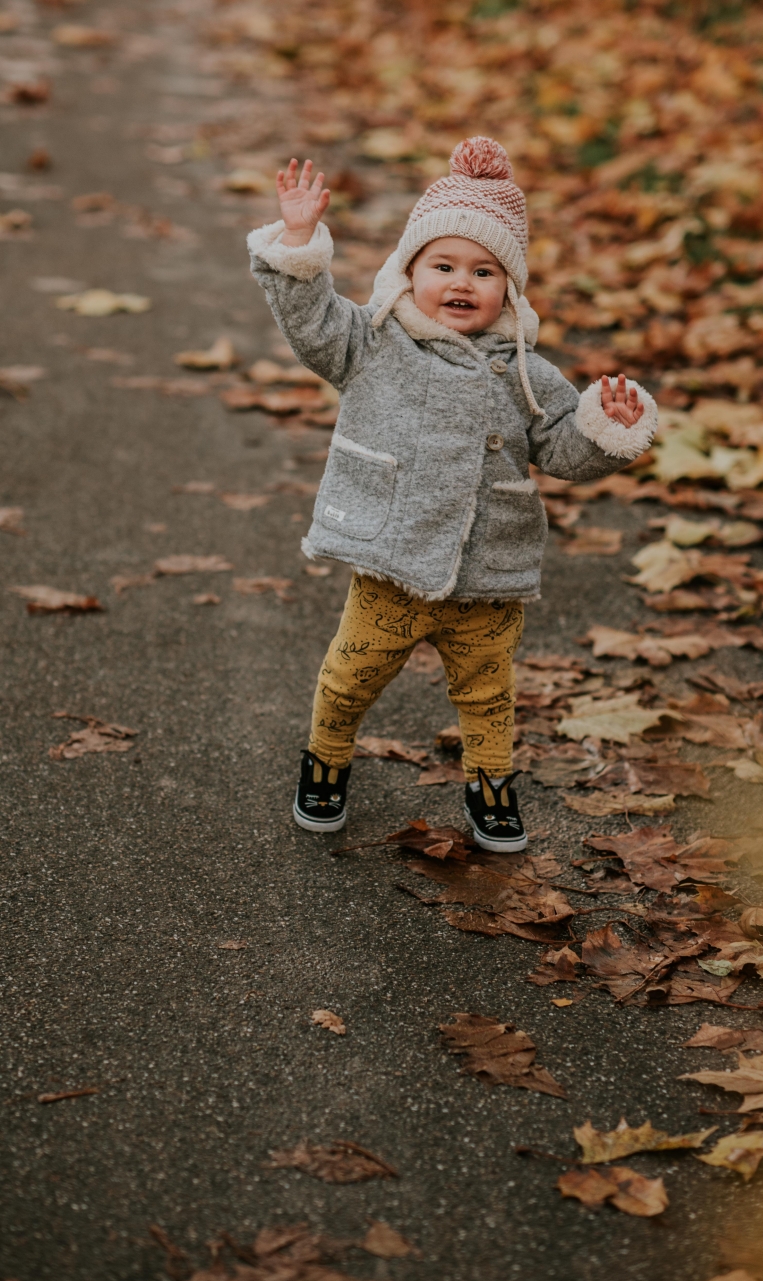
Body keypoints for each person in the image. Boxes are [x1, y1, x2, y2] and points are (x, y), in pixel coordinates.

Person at [248, 136, 657, 852]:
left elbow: (560, 449)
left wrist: (603, 429)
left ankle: (491, 784)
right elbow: (311, 326)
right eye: (443, 265)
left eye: (484, 271)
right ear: (410, 270)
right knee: (351, 674)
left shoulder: (527, 371)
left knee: (488, 694)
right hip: (393, 561)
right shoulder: (373, 340)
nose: (461, 283)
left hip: (488, 571)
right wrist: (299, 238)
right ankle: (326, 759)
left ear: (511, 287)